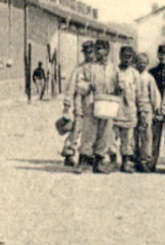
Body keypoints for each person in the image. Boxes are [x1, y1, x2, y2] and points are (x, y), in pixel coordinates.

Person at [76, 40, 121, 175]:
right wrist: (88, 86)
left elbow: (119, 85)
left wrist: (118, 89)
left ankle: (100, 161)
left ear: (107, 51)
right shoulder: (89, 67)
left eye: (101, 49)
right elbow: (79, 84)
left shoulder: (113, 69)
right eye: (97, 49)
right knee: (89, 132)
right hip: (91, 104)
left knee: (105, 133)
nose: (99, 52)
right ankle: (84, 161)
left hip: (108, 104)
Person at [60, 41, 96, 166]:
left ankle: (89, 154)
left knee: (92, 130)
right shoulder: (79, 68)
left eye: (91, 52)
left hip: (94, 103)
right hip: (80, 103)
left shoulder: (98, 68)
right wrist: (67, 104)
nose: (88, 55)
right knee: (77, 129)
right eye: (86, 52)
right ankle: (69, 153)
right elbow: (70, 87)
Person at [113, 47, 143, 173]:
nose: (127, 59)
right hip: (114, 110)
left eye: (130, 56)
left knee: (128, 138)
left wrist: (141, 111)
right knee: (112, 138)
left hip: (129, 110)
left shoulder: (135, 74)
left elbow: (140, 95)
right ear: (120, 56)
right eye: (124, 56)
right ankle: (112, 161)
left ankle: (126, 162)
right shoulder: (113, 71)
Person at [132, 53, 163, 173]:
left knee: (146, 136)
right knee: (133, 136)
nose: (141, 65)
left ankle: (145, 161)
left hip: (145, 109)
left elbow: (155, 95)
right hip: (133, 108)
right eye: (139, 62)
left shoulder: (149, 78)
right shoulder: (132, 75)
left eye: (144, 63)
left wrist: (156, 108)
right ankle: (134, 159)